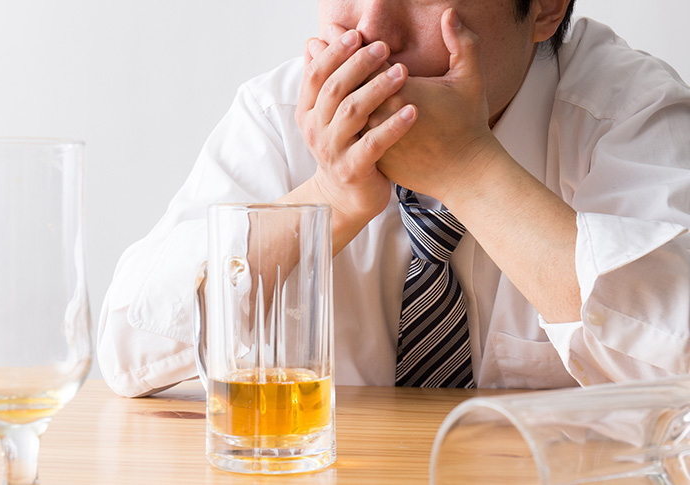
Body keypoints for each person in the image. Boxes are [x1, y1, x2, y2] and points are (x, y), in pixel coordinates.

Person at [98, 0, 690, 397]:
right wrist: (328, 197)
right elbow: (132, 344)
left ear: (543, 8)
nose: (373, 28)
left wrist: (468, 168)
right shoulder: (281, 116)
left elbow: (679, 354)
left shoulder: (627, 111)